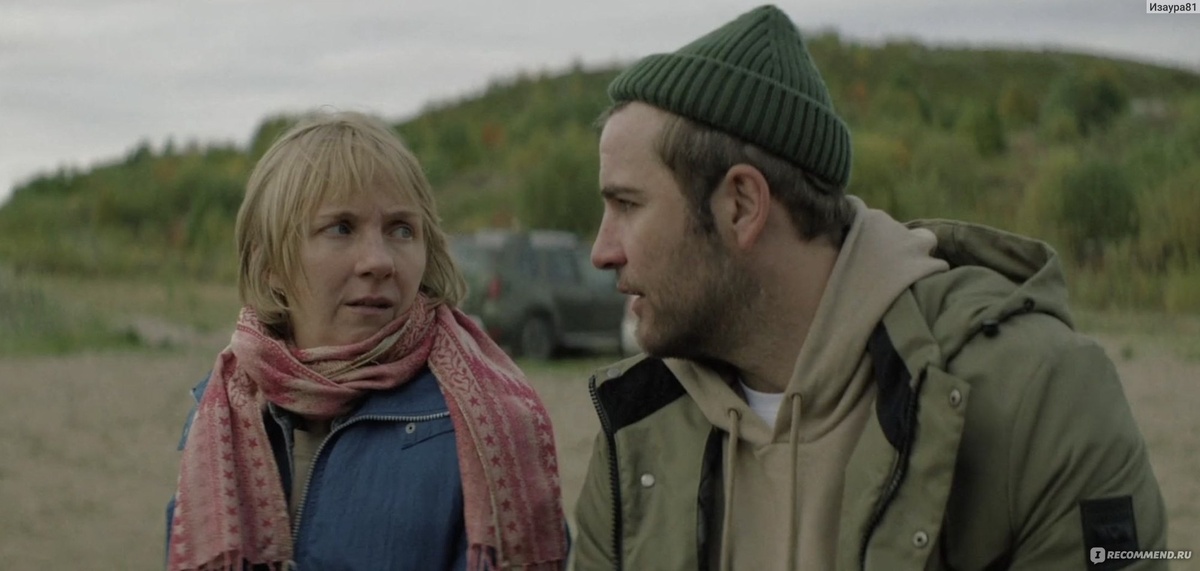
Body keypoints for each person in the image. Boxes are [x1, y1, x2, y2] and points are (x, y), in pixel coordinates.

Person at [572, 5, 1166, 571]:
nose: (602, 251)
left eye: (627, 204)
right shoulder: (637, 431)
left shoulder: (1038, 396)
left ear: (742, 205)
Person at [165, 111, 568, 571]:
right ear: (270, 263)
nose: (379, 261)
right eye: (341, 227)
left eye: (401, 229)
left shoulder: (485, 426)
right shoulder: (220, 414)